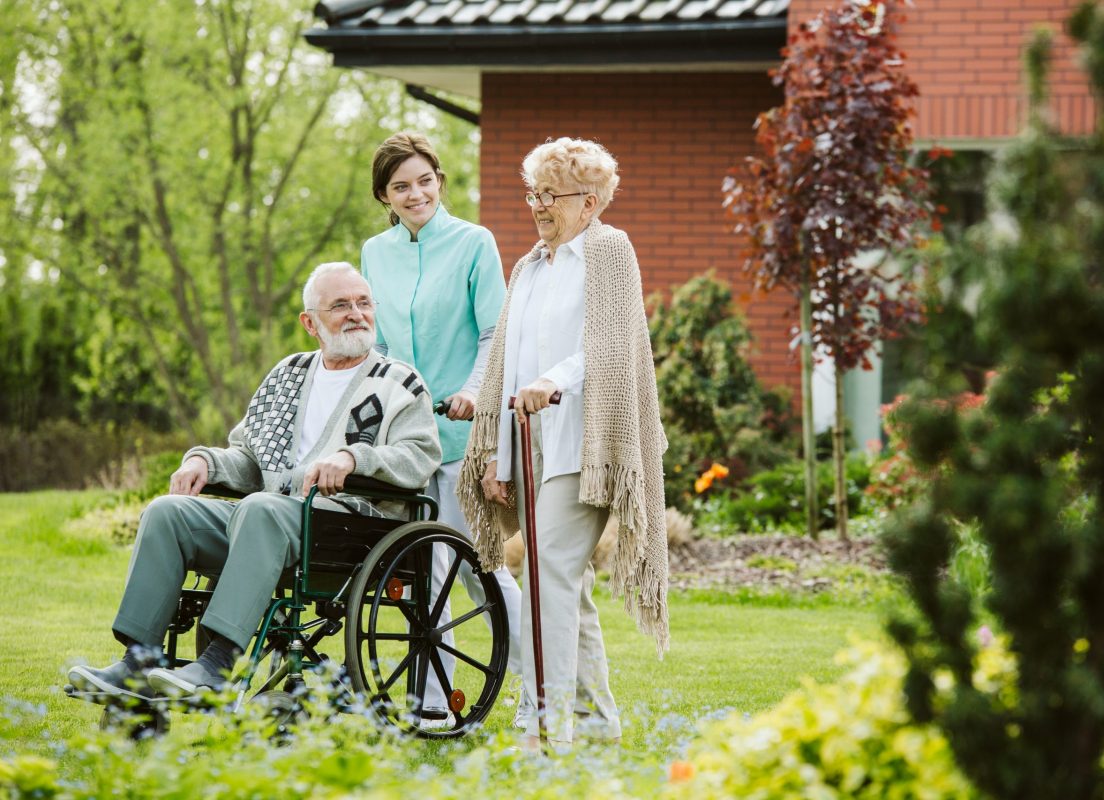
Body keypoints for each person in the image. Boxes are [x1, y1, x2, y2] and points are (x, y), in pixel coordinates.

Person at [67, 262, 441, 700]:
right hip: (265, 522)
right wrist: (205, 463)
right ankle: (139, 662)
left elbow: (421, 456)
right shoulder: (288, 375)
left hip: (348, 528)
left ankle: (219, 663)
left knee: (261, 508)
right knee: (167, 513)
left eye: (363, 303)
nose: (356, 313)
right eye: (340, 305)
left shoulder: (399, 382)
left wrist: (353, 457)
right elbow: (249, 455)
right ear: (310, 322)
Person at [457, 137, 670, 749]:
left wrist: (555, 381)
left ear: (592, 201)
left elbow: (609, 344)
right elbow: (506, 362)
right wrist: (496, 458)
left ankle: (547, 727)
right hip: (529, 445)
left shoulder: (608, 250)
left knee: (549, 574)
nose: (539, 206)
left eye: (552, 195)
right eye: (534, 193)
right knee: (564, 587)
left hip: (586, 442)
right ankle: (599, 725)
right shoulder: (528, 266)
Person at [360, 131, 527, 730]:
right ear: (384, 195)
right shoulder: (375, 253)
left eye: (425, 180)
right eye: (401, 186)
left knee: (481, 567)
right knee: (420, 568)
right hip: (407, 442)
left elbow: (494, 335)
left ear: (439, 180)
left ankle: (543, 687)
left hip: (462, 435)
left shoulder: (474, 243)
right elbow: (378, 346)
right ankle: (433, 702)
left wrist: (475, 393)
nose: (416, 194)